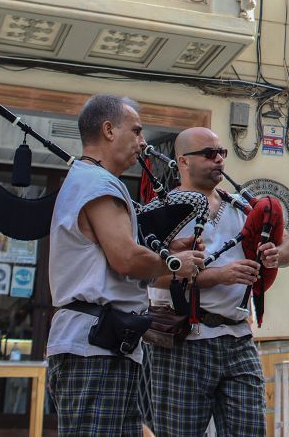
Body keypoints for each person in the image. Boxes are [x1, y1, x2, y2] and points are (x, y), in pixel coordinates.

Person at [47, 95, 204, 436]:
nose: (143, 142)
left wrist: (169, 250)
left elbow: (115, 251)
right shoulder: (97, 184)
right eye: (136, 131)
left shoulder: (85, 180)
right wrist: (176, 266)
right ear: (108, 130)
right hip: (96, 348)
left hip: (104, 344)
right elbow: (126, 259)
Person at [148, 127, 289, 437]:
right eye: (209, 154)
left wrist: (276, 255)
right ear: (183, 161)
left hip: (237, 338)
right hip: (182, 339)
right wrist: (218, 276)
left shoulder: (242, 206)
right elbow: (148, 275)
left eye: (222, 153)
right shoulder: (161, 210)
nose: (219, 159)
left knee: (249, 430)